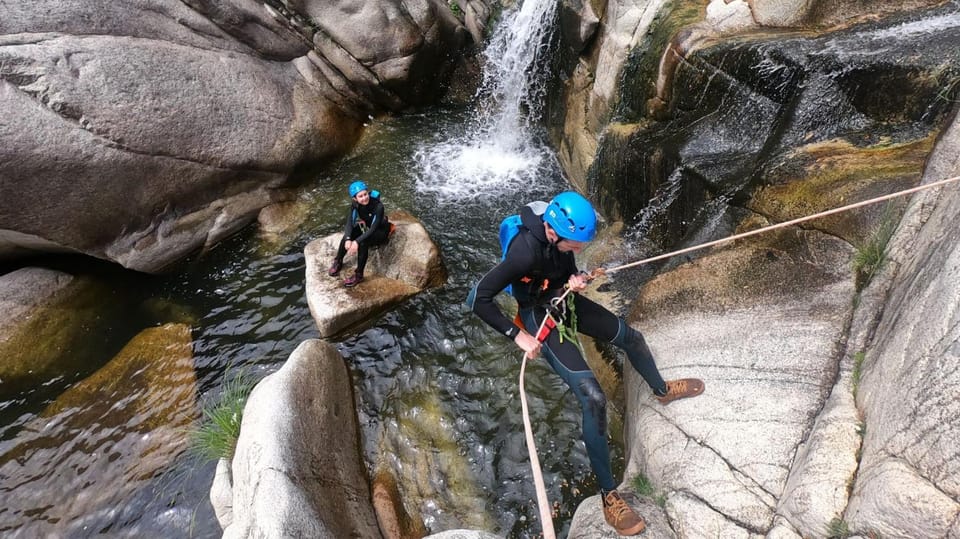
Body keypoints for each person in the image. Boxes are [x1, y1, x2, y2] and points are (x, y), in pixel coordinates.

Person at [468, 191, 704, 536]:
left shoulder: (559, 242)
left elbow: (560, 267)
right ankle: (609, 496)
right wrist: (518, 336)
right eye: (576, 243)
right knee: (593, 398)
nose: (580, 247)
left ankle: (662, 390)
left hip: (562, 301)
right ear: (554, 232)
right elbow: (478, 298)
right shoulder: (523, 253)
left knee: (632, 338)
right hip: (539, 316)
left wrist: (573, 278)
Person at [328, 180, 391, 287]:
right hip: (368, 227)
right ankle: (338, 260)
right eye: (360, 196)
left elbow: (373, 229)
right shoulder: (355, 205)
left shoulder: (378, 206)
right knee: (348, 235)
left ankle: (359, 275)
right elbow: (349, 223)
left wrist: (357, 241)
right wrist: (348, 238)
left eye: (365, 194)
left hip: (380, 232)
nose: (364, 198)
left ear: (368, 192)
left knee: (363, 242)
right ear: (355, 199)